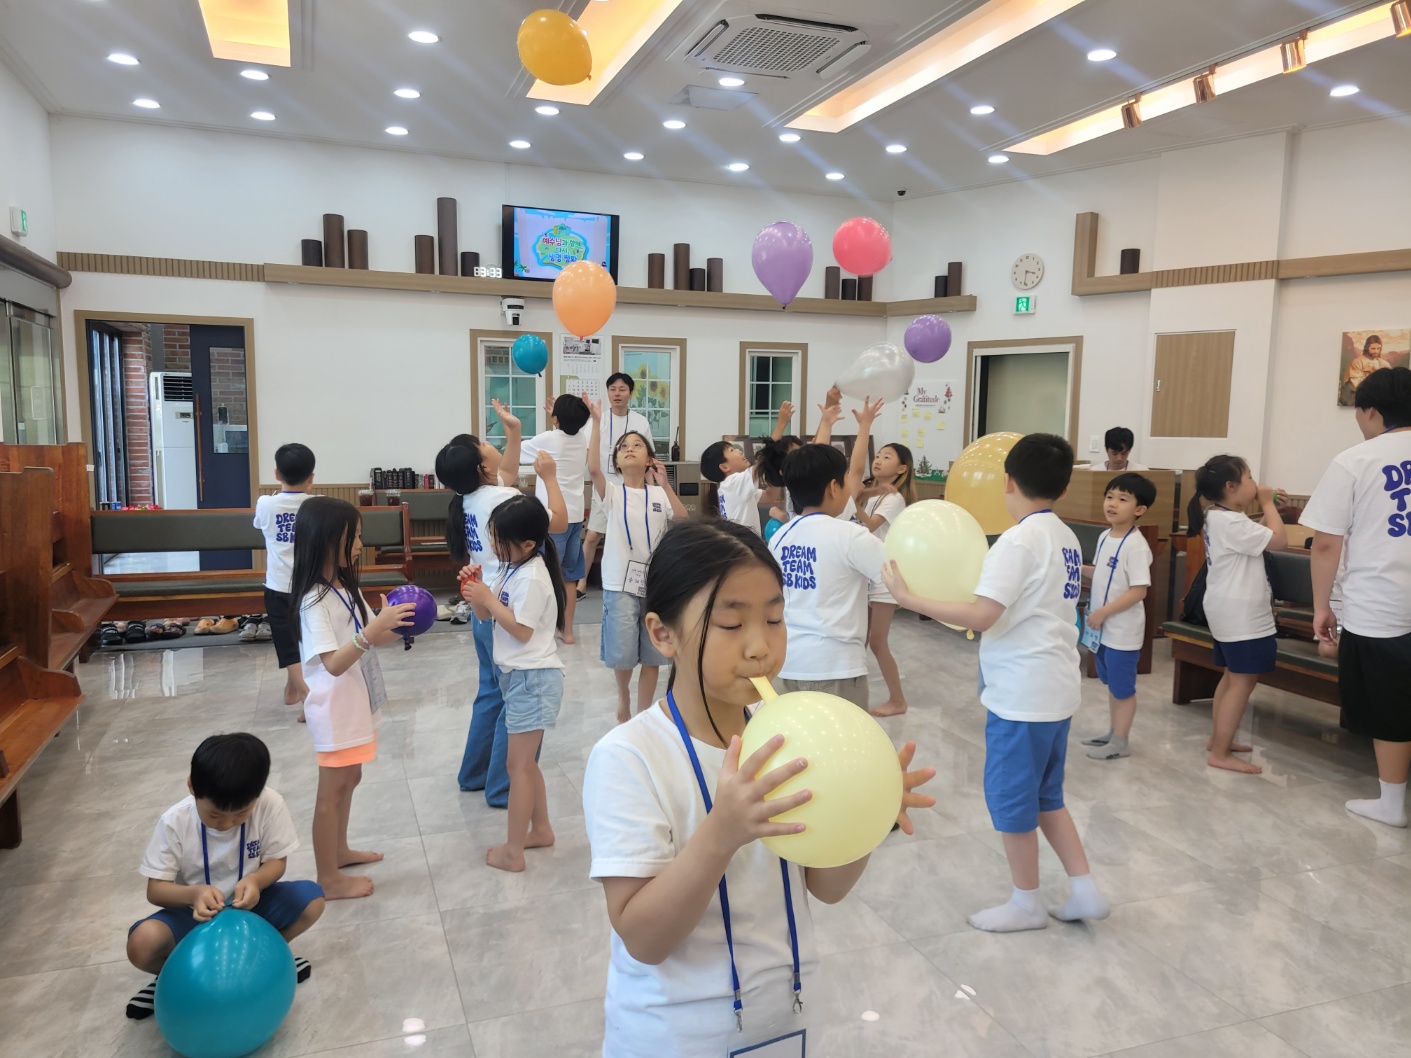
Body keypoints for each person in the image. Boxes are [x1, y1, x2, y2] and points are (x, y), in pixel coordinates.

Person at [581, 520, 934, 1056]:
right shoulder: (629, 757)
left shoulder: (789, 737)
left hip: (786, 1023)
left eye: (774, 619)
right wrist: (721, 833)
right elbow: (644, 938)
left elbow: (826, 888)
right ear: (662, 634)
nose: (760, 647)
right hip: (675, 1037)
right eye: (731, 623)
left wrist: (868, 811)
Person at [883, 433, 1110, 933]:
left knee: (1012, 802)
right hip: (1056, 687)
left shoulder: (1018, 541)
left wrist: (908, 598)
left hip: (1022, 694)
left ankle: (1026, 903)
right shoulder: (1064, 536)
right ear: (1064, 487)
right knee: (1047, 795)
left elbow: (983, 615)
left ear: (1007, 482)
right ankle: (1084, 887)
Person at [125, 733, 324, 1019]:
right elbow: (155, 889)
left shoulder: (270, 804)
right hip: (197, 916)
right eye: (215, 815)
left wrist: (256, 881)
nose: (226, 824)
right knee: (142, 943)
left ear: (258, 795)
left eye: (241, 814)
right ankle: (173, 979)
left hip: (252, 907)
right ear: (192, 787)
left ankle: (271, 959)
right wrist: (193, 894)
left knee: (312, 900)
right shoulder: (174, 822)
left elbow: (277, 862)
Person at [438, 404, 567, 808]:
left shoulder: (467, 497)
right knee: (511, 700)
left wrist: (514, 433)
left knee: (490, 694)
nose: (490, 445)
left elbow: (505, 472)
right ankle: (503, 787)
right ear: (482, 466)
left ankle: (474, 775)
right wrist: (550, 478)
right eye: (484, 444)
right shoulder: (503, 497)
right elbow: (557, 523)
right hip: (507, 609)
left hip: (484, 607)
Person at [290, 497, 418, 899]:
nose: (361, 545)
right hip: (335, 709)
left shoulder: (344, 588)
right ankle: (327, 879)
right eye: (354, 537)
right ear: (325, 541)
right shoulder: (313, 600)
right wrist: (372, 631)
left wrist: (406, 623)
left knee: (352, 778)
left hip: (357, 701)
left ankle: (340, 851)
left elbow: (373, 635)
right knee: (330, 794)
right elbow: (332, 663)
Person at [1303, 366, 1411, 828]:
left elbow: (1327, 544)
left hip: (1380, 605)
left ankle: (1391, 803)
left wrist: (1322, 607)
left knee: (1390, 706)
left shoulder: (1355, 460)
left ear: (1371, 411)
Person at [461, 495, 567, 872]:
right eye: (491, 535)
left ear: (527, 544)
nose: (492, 544)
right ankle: (541, 830)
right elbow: (486, 615)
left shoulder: (533, 576)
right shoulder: (511, 567)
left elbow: (521, 631)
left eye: (499, 539)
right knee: (524, 765)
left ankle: (514, 851)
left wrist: (488, 598)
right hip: (517, 677)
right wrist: (476, 590)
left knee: (517, 767)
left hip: (533, 679)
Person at [769, 398, 887, 710]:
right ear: (835, 487)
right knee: (844, 740)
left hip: (787, 662)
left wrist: (827, 424)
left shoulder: (780, 536)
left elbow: (819, 463)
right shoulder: (849, 533)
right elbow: (900, 577)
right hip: (834, 666)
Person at [586, 400, 687, 723]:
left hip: (654, 583)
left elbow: (682, 520)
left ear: (649, 460)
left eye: (637, 445)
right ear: (616, 461)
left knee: (653, 653)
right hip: (619, 583)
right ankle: (623, 695)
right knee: (622, 651)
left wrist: (666, 485)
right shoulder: (613, 493)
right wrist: (597, 423)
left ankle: (643, 713)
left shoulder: (658, 494)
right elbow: (593, 469)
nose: (629, 449)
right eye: (623, 447)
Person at [1186, 455, 1288, 775]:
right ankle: (1220, 752)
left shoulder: (1217, 515)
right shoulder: (1231, 522)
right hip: (1241, 613)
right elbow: (1279, 542)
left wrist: (1270, 508)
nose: (1255, 483)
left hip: (1225, 608)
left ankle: (1220, 739)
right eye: (1249, 477)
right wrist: (1268, 504)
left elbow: (1256, 537)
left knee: (1231, 676)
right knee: (1243, 681)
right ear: (1230, 486)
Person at [1079, 472, 1157, 760]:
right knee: (1112, 685)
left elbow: (1139, 591)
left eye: (1122, 499)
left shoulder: (1136, 546)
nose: (1112, 504)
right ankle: (1114, 733)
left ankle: (1121, 742)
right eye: (1110, 497)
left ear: (1139, 509)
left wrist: (1103, 612)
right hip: (1102, 628)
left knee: (1123, 689)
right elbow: (1101, 573)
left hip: (1122, 632)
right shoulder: (1105, 536)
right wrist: (1076, 568)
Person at [252, 443, 316, 722]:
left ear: (277, 474)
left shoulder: (266, 504)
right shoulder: (317, 505)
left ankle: (310, 701)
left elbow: (260, 525)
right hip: (312, 586)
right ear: (311, 477)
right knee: (306, 642)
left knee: (288, 644)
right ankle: (293, 690)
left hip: (278, 586)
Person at [521, 394, 591, 643]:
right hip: (575, 517)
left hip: (553, 518)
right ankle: (567, 631)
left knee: (545, 575)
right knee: (569, 577)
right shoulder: (581, 439)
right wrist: (559, 418)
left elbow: (518, 452)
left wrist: (555, 421)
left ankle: (544, 630)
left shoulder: (547, 439)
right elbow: (565, 432)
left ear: (555, 419)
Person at [853, 441, 917, 717]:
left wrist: (854, 501)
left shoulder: (894, 499)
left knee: (878, 643)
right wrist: (861, 497)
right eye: (878, 455)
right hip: (871, 573)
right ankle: (853, 693)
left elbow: (869, 525)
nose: (878, 460)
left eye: (887, 457)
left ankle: (898, 700)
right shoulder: (876, 495)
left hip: (886, 577)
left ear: (902, 468)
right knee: (862, 640)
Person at [579, 372, 655, 600]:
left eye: (622, 389)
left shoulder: (640, 422)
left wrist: (652, 489)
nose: (617, 394)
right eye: (612, 389)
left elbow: (648, 458)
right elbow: (586, 451)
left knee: (634, 536)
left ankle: (637, 580)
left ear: (630, 393)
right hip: (605, 487)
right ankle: (581, 583)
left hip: (633, 488)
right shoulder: (598, 420)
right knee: (593, 535)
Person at [700, 402, 799, 532]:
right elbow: (765, 458)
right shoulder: (733, 483)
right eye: (732, 450)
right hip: (744, 542)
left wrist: (774, 473)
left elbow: (770, 496)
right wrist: (781, 424)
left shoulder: (730, 488)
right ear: (724, 467)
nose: (739, 451)